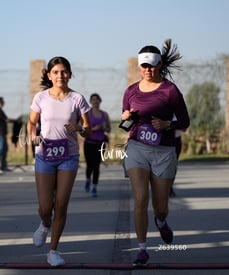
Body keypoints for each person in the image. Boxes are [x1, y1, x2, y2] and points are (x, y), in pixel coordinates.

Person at [120, 39, 190, 267]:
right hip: (137, 148)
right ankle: (142, 249)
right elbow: (127, 120)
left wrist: (168, 125)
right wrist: (125, 118)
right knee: (140, 199)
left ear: (159, 64)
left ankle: (161, 221)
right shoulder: (130, 91)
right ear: (139, 67)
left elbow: (185, 122)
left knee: (160, 207)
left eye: (151, 65)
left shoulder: (170, 91)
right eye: (143, 66)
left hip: (164, 150)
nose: (147, 70)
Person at [27, 56, 91, 266]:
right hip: (45, 155)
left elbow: (88, 130)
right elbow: (31, 122)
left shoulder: (77, 99)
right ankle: (45, 224)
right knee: (46, 207)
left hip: (68, 157)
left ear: (70, 74)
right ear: (49, 75)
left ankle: (53, 251)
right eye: (55, 72)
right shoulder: (41, 97)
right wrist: (33, 135)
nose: (60, 76)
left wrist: (80, 128)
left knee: (61, 205)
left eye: (63, 72)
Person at [83, 93, 111, 197]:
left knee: (96, 166)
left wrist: (103, 128)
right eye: (93, 100)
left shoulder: (104, 115)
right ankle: (87, 180)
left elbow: (109, 129)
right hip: (89, 143)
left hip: (100, 143)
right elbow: (84, 129)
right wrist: (94, 129)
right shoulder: (87, 114)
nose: (95, 101)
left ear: (100, 101)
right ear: (91, 102)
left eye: (97, 99)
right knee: (89, 165)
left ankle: (94, 187)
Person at [0, 96, 17, 173]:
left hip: (2, 133)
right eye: (2, 102)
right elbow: (6, 119)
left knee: (4, 149)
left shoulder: (0, 110)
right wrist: (15, 120)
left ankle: (3, 165)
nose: (3, 103)